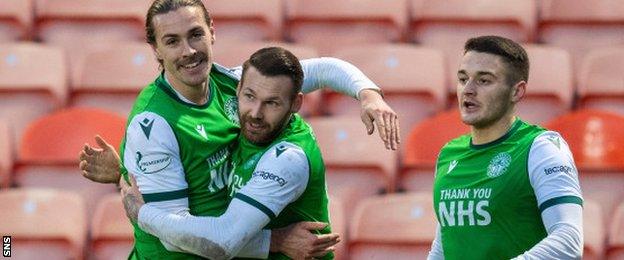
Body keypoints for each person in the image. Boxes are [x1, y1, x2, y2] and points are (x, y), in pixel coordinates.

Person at [78, 0, 399, 259]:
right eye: (172, 41)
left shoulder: (233, 83)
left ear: (212, 32)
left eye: (195, 34)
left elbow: (323, 69)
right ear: (156, 50)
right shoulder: (154, 125)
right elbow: (173, 238)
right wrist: (274, 241)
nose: (188, 51)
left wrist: (367, 94)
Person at [120, 46, 339, 259]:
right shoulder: (245, 128)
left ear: (296, 103)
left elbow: (223, 242)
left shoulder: (287, 158)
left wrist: (142, 214)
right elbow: (325, 70)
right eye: (250, 96)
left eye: (272, 103)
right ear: (237, 89)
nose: (256, 113)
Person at [427, 35, 583, 260]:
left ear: (517, 91)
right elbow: (444, 245)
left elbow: (569, 240)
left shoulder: (540, 148)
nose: (468, 90)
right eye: (463, 79)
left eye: (484, 80)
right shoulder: (448, 154)